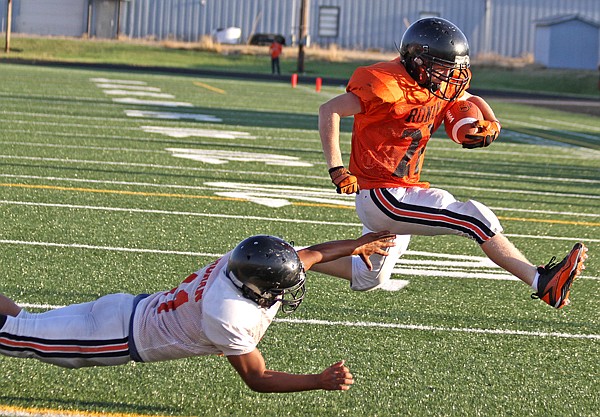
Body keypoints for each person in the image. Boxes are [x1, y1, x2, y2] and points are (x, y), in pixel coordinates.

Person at [316, 17, 588, 309]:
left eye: (454, 70)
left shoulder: (435, 83)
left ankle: (290, 256)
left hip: (404, 190)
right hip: (382, 195)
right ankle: (543, 283)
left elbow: (470, 97)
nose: (451, 77)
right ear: (418, 62)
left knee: (370, 276)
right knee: (474, 219)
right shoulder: (387, 85)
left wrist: (492, 124)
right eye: (444, 69)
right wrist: (337, 168)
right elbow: (329, 110)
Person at [0, 231, 395, 393]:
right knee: (13, 337)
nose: (289, 287)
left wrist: (358, 244)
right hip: (115, 338)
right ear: (257, 286)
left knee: (23, 325)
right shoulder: (229, 314)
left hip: (124, 310)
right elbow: (257, 378)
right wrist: (317, 380)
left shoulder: (243, 266)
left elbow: (310, 255)